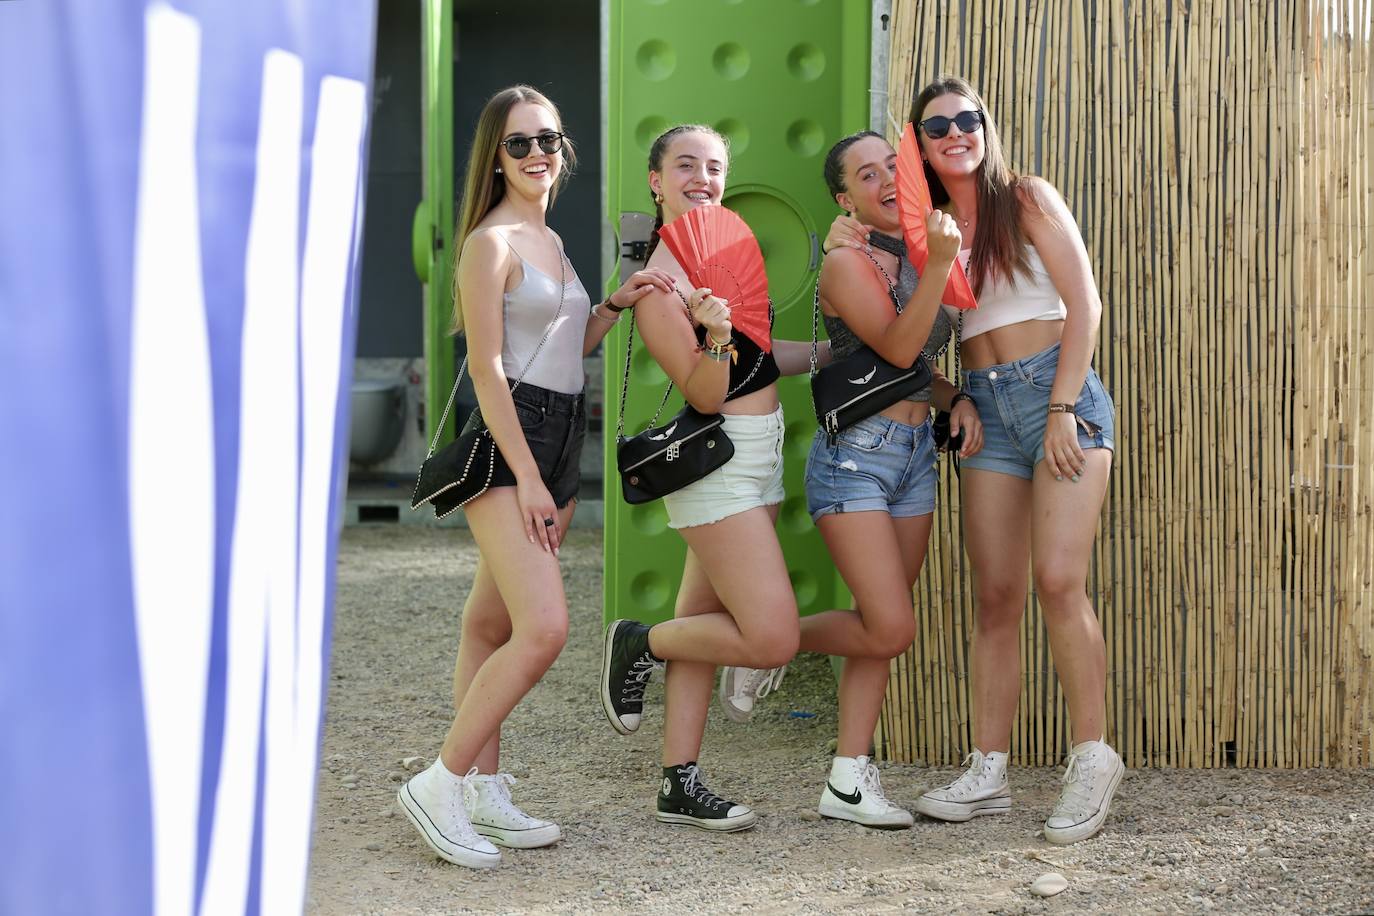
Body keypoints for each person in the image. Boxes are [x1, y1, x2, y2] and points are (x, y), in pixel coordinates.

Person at [398, 85, 674, 868]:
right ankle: (441, 783)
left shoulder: (550, 240)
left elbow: (563, 347)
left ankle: (482, 793)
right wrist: (527, 478)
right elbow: (486, 368)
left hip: (555, 440)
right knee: (545, 628)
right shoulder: (490, 243)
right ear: (495, 156)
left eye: (547, 138)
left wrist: (614, 305)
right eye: (518, 143)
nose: (537, 154)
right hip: (507, 444)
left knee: (488, 624)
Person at [849, 76, 1119, 844]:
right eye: (939, 126)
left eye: (969, 119)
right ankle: (989, 771)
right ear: (920, 143)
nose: (957, 133)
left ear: (986, 126)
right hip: (986, 409)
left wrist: (1064, 407)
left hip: (1056, 398)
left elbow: (1085, 303)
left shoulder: (1024, 197)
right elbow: (903, 335)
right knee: (995, 595)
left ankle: (1093, 761)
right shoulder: (925, 227)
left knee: (1059, 581)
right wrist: (954, 398)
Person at [718, 131, 984, 828]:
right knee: (892, 626)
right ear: (846, 200)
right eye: (868, 176)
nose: (888, 181)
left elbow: (911, 370)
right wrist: (942, 264)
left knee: (876, 627)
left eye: (893, 168)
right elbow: (899, 345)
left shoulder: (921, 253)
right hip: (855, 461)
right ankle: (767, 639)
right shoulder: (846, 262)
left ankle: (847, 778)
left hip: (913, 459)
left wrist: (952, 397)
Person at [599, 124, 824, 831]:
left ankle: (678, 782)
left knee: (704, 623)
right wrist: (718, 335)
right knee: (772, 637)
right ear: (655, 181)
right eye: (686, 165)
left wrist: (828, 352)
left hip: (758, 455)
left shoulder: (723, 254)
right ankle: (639, 642)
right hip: (716, 465)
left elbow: (758, 362)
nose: (703, 177)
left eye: (716, 166)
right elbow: (704, 391)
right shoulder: (660, 283)